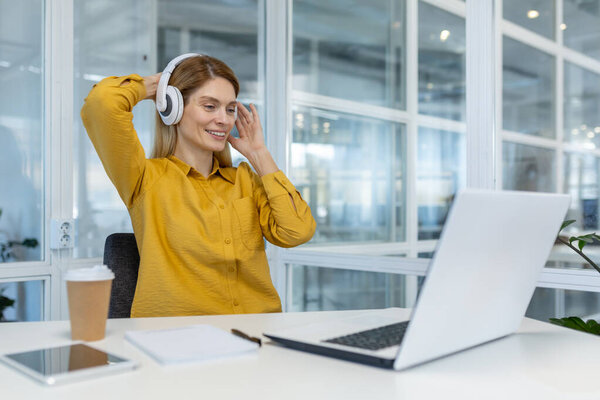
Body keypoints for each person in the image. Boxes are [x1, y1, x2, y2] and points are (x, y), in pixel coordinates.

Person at [81, 54, 316, 317]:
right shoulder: (145, 179)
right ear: (175, 109)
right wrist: (162, 86)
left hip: (255, 335)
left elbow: (297, 231)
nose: (224, 120)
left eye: (229, 109)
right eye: (209, 106)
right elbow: (101, 103)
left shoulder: (245, 180)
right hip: (179, 342)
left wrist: (260, 154)